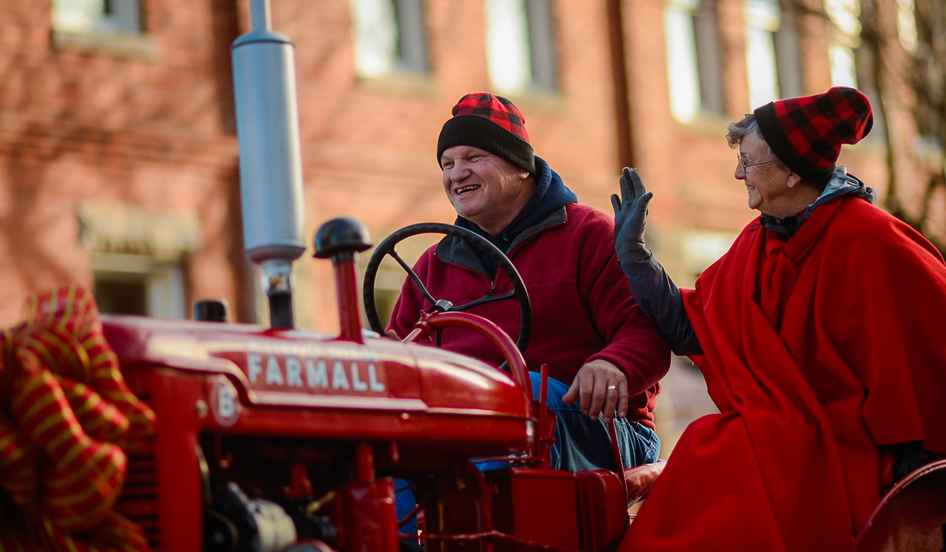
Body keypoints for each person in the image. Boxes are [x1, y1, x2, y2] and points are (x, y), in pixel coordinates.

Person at [612, 86, 946, 551]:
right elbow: (696, 329)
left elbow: (926, 376)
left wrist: (912, 494)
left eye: (750, 162)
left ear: (791, 173)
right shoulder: (758, 241)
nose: (737, 173)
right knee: (706, 447)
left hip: (852, 453)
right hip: (775, 436)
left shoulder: (875, 242)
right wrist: (635, 258)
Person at [387, 92, 671, 474]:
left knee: (515, 398)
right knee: (384, 448)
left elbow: (646, 331)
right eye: (447, 163)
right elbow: (399, 351)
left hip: (599, 427)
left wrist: (613, 364)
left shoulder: (589, 235)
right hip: (467, 426)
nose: (456, 174)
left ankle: (485, 517)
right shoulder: (430, 267)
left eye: (473, 158)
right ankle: (392, 533)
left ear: (521, 166)